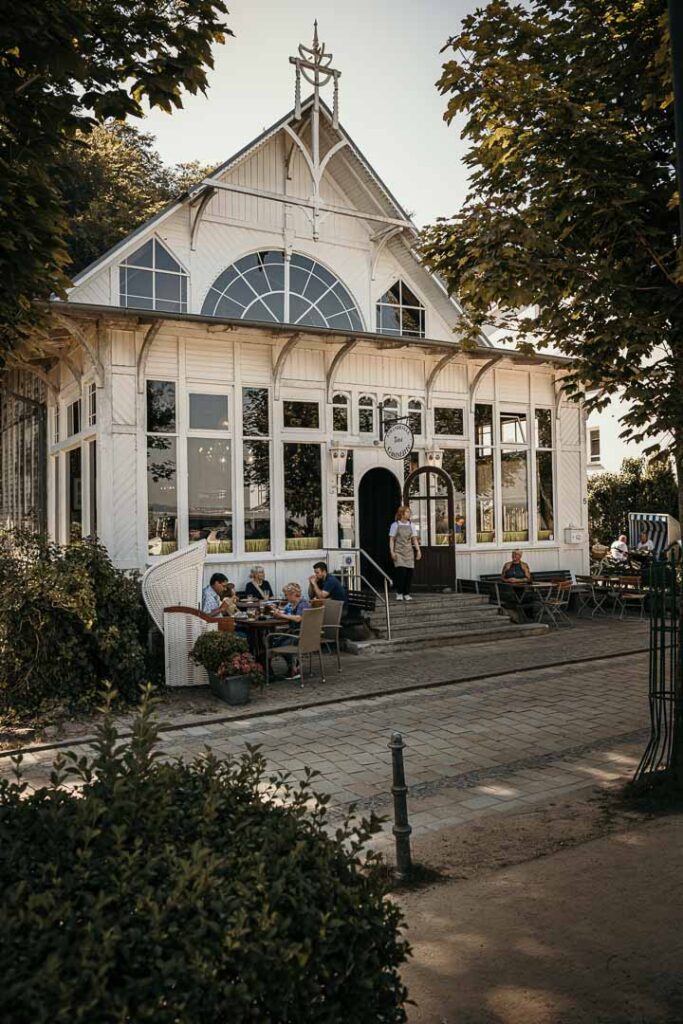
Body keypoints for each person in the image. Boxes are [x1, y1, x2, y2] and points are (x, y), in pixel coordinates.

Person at [269, 583, 311, 680]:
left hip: (301, 635)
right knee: (275, 642)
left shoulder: (302, 603)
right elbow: (285, 611)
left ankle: (294, 668)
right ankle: (293, 666)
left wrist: (281, 615)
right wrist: (277, 611)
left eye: (286, 595)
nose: (285, 597)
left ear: (293, 594)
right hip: (293, 633)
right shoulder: (292, 603)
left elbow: (298, 618)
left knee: (282, 645)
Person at [389, 505, 421, 601]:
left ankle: (406, 593)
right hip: (398, 552)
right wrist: (392, 552)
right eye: (407, 512)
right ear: (402, 514)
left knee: (409, 574)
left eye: (409, 512)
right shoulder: (395, 525)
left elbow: (414, 539)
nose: (409, 514)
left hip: (409, 552)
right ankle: (399, 593)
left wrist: (418, 550)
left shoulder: (411, 525)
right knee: (401, 573)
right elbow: (391, 539)